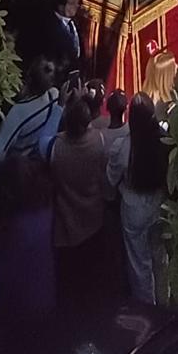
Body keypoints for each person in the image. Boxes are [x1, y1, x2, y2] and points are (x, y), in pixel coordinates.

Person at [0, 154, 56, 354]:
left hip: (23, 308)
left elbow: (2, 274)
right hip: (45, 295)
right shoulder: (44, 206)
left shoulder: (19, 228)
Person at [107, 92, 168, 304]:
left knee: (139, 261)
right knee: (159, 254)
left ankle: (147, 307)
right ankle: (164, 299)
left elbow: (111, 178)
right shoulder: (165, 140)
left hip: (134, 209)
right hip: (160, 205)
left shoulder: (123, 147)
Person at [49, 96, 109, 304]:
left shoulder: (55, 147)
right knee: (91, 273)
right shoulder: (99, 141)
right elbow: (103, 172)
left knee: (70, 279)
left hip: (67, 223)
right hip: (94, 218)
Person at [0, 58, 61, 183]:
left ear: (28, 77)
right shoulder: (55, 97)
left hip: (14, 174)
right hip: (35, 173)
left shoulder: (19, 112)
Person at [40, 0, 84, 76]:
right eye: (72, 3)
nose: (76, 6)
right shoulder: (50, 24)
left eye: (77, 3)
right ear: (61, 6)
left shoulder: (74, 25)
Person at [140, 47, 178, 121]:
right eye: (173, 66)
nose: (177, 66)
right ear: (166, 75)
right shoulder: (165, 103)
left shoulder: (142, 100)